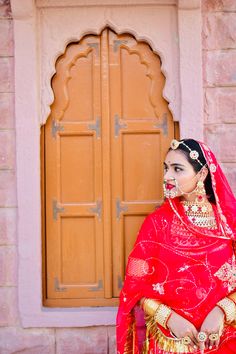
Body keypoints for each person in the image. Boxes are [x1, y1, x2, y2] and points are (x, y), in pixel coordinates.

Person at [116, 139, 236, 354]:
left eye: (177, 169)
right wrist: (169, 318)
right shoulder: (156, 224)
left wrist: (222, 311)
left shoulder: (229, 224)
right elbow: (135, 289)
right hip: (171, 342)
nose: (166, 177)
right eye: (166, 168)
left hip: (226, 339)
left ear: (202, 175)